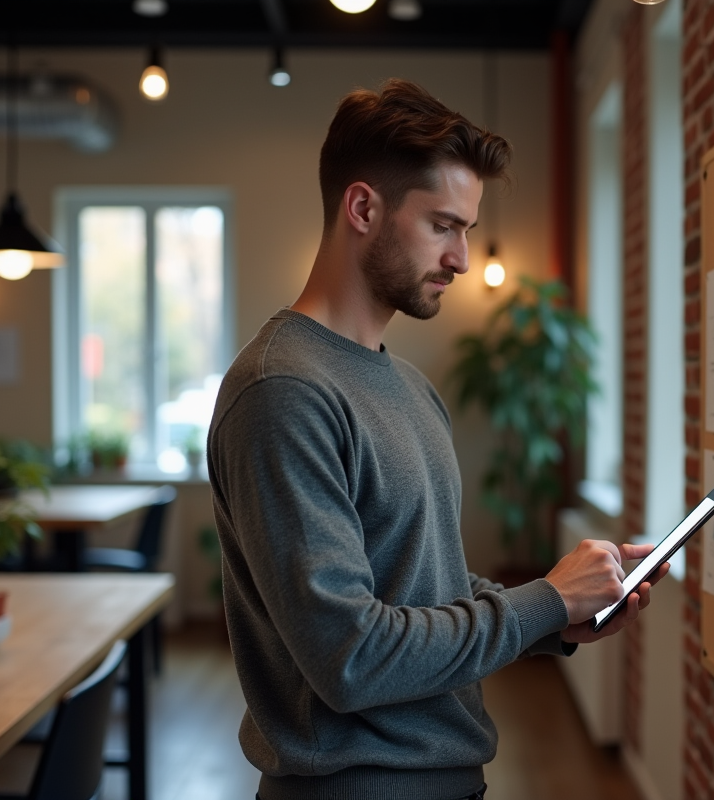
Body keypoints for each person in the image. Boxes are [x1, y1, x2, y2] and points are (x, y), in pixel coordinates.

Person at [207, 78, 668, 800]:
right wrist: (543, 600)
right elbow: (350, 656)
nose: (459, 257)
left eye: (467, 230)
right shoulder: (283, 391)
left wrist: (559, 620)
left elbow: (426, 588)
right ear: (364, 207)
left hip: (447, 779)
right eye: (443, 225)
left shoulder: (411, 387)